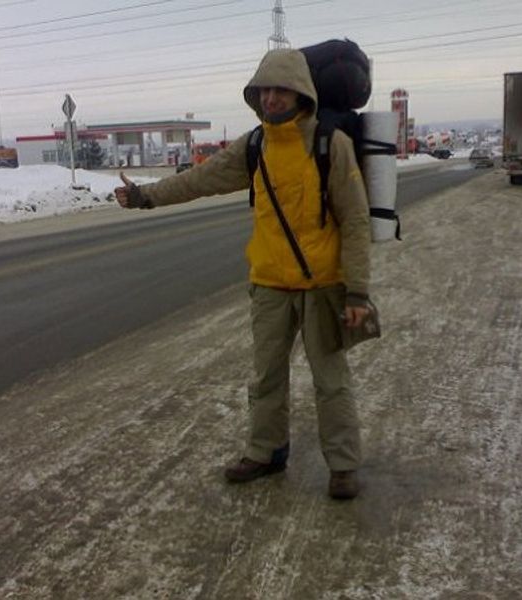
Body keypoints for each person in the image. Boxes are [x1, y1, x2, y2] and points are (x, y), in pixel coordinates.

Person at [115, 49, 371, 500]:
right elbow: (200, 179)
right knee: (266, 377)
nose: (271, 98)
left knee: (331, 380)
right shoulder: (255, 146)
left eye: (280, 90)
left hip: (322, 285)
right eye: (264, 91)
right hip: (270, 284)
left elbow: (354, 220)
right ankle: (266, 451)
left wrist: (356, 292)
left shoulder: (331, 143)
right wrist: (145, 196)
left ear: (301, 93)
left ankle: (344, 465)